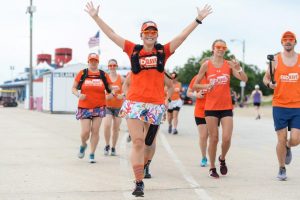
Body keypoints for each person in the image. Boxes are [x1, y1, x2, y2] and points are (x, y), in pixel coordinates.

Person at [85, 1, 212, 196]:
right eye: (147, 32)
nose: (150, 35)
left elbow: (182, 37)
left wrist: (198, 19)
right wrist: (95, 16)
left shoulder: (163, 51)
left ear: (157, 35)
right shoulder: (133, 49)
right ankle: (138, 182)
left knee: (149, 143)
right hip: (135, 102)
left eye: (153, 32)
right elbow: (112, 34)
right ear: (141, 35)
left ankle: (146, 165)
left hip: (155, 104)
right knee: (137, 141)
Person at [193, 39, 248, 178]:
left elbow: (244, 79)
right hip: (211, 107)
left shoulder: (228, 65)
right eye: (218, 47)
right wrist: (206, 86)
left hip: (226, 106)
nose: (221, 49)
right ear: (213, 48)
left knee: (227, 138)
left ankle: (222, 158)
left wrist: (239, 67)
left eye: (223, 47)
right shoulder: (206, 65)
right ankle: (212, 167)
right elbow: (195, 85)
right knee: (214, 138)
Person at [263, 31, 300, 181]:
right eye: (285, 40)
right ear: (282, 42)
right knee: (281, 138)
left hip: (297, 105)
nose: (288, 41)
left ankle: (288, 146)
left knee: (296, 139)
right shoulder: (275, 61)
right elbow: (266, 78)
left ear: (295, 42)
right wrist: (269, 84)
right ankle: (281, 168)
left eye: (291, 39)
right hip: (279, 105)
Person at [72, 53, 112, 163]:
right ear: (88, 61)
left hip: (99, 107)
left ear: (98, 62)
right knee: (85, 132)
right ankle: (83, 144)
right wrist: (79, 95)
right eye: (91, 60)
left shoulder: (103, 75)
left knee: (95, 130)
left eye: (95, 60)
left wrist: (113, 91)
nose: (93, 62)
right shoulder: (82, 73)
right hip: (84, 107)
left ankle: (92, 153)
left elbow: (110, 88)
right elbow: (74, 88)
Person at [187, 71, 209, 167]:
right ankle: (204, 157)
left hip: (214, 110)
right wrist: (196, 95)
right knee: (203, 136)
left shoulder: (216, 78)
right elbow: (188, 92)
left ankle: (212, 156)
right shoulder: (197, 78)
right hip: (200, 111)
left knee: (213, 137)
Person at [103, 59, 125, 156]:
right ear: (108, 67)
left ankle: (113, 147)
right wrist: (108, 96)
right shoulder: (105, 79)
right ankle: (107, 145)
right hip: (108, 106)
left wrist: (123, 95)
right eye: (110, 65)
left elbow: (130, 88)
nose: (112, 67)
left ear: (116, 66)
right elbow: (102, 93)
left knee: (116, 128)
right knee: (107, 125)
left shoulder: (121, 78)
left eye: (114, 65)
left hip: (118, 107)